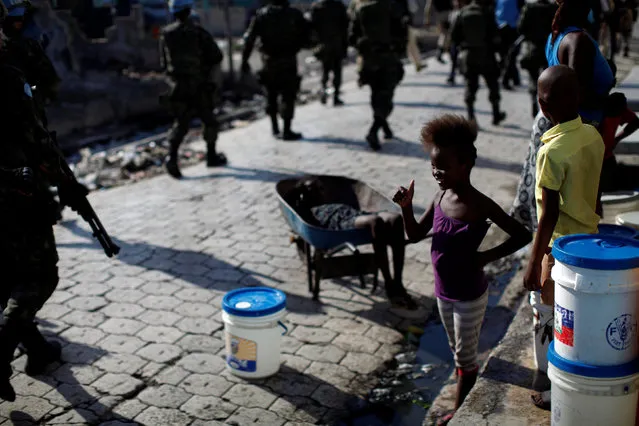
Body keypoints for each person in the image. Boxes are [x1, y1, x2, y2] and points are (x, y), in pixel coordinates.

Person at [394, 114, 531, 425]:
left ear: (465, 165)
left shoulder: (480, 204)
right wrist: (405, 208)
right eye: (433, 167)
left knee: (464, 357)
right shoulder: (440, 196)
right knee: (458, 349)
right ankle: (464, 388)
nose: (435, 173)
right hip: (443, 294)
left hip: (469, 295)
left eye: (442, 168)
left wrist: (485, 257)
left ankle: (458, 413)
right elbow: (414, 235)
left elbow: (522, 234)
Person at [0, 2, 92, 399]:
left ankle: (36, 348)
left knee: (7, 274)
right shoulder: (8, 75)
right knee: (39, 276)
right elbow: (37, 142)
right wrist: (66, 184)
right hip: (14, 192)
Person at [524, 66, 604, 409]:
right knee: (576, 314)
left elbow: (550, 215)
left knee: (545, 313)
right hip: (590, 239)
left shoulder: (551, 152)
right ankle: (560, 376)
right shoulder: (592, 136)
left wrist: (532, 265)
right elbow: (598, 188)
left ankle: (549, 378)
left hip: (559, 249)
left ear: (543, 106)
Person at [511, 0, 614, 231]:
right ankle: (554, 258)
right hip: (574, 134)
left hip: (557, 126)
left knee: (558, 203)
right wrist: (609, 101)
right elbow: (576, 96)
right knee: (573, 208)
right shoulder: (578, 40)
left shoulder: (558, 34)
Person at [292, 178, 417, 309]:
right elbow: (300, 216)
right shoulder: (312, 211)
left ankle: (398, 282)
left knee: (396, 219)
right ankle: (388, 283)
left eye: (320, 187)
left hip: (357, 215)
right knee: (375, 221)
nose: (320, 191)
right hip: (343, 223)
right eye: (313, 189)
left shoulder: (333, 202)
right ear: (305, 195)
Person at [159, 0, 226, 179]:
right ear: (189, 11)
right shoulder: (198, 32)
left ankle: (172, 158)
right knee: (209, 121)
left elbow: (164, 64)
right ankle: (211, 156)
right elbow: (217, 56)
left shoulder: (166, 34)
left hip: (179, 87)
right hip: (200, 86)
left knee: (181, 124)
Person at [241, 0, 309, 141]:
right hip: (288, 60)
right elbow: (307, 36)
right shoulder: (294, 14)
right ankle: (286, 130)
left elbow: (249, 39)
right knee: (288, 95)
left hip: (269, 61)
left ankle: (275, 128)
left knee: (271, 95)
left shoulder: (262, 15)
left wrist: (245, 60)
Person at [349, 0, 406, 151]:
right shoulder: (391, 7)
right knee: (385, 97)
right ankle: (373, 131)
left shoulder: (362, 10)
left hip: (369, 60)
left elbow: (352, 37)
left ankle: (385, 128)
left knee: (376, 95)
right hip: (387, 58)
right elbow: (401, 32)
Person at [450, 0, 507, 126]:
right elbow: (495, 36)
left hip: (468, 55)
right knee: (493, 85)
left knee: (470, 86)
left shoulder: (462, 13)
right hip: (486, 55)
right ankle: (496, 114)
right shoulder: (487, 13)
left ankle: (471, 117)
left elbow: (454, 36)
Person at [517, 0, 557, 118]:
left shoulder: (529, 8)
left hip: (532, 48)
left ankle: (534, 102)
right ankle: (546, 106)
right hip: (548, 48)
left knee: (532, 77)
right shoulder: (553, 8)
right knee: (549, 80)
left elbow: (520, 28)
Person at [308, 0, 350, 106]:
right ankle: (335, 97)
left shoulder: (317, 7)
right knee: (337, 70)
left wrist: (314, 44)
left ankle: (324, 92)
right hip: (337, 43)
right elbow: (345, 25)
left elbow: (312, 27)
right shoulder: (338, 5)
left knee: (325, 69)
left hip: (324, 44)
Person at [599, 93, 639, 193]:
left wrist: (617, 139)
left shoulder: (620, 110)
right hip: (592, 157)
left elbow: (635, 122)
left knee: (607, 186)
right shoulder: (598, 115)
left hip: (607, 156)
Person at [495, 0, 524, 90]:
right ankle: (508, 79)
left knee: (506, 56)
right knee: (510, 55)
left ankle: (512, 78)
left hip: (501, 27)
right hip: (512, 28)